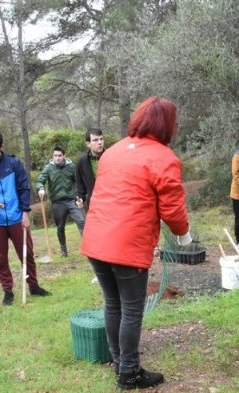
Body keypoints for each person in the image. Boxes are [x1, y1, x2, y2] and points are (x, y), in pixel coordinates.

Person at [80, 97, 190, 390]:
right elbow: (172, 209)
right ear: (167, 125)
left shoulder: (113, 152)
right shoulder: (163, 157)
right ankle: (128, 372)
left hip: (96, 240)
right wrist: (183, 233)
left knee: (112, 304)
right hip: (127, 245)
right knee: (130, 309)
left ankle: (119, 363)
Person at [0, 129, 51, 306]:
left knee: (27, 254)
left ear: (1, 147)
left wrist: (25, 214)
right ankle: (8, 292)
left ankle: (34, 286)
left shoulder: (14, 163)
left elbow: (24, 188)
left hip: (17, 218)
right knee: (0, 259)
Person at [35, 146, 85, 257]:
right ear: (53, 156)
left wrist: (78, 194)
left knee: (81, 221)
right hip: (57, 203)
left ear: (64, 156)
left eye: (60, 156)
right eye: (55, 156)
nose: (57, 158)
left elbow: (78, 181)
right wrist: (41, 189)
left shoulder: (72, 167)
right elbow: (39, 181)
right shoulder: (48, 168)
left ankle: (88, 248)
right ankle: (64, 251)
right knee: (60, 227)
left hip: (72, 200)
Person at [75, 127, 105, 210]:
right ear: (88, 144)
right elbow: (79, 183)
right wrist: (80, 198)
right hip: (94, 205)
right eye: (95, 140)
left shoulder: (111, 156)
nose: (100, 142)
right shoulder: (82, 162)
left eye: (101, 139)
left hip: (112, 202)